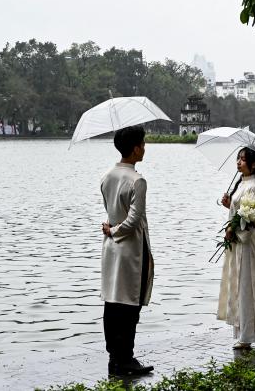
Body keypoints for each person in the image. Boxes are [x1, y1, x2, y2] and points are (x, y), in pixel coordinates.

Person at [100, 125, 154, 376]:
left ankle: (115, 357)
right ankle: (126, 359)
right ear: (134, 149)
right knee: (131, 302)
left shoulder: (108, 176)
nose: (144, 148)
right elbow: (132, 221)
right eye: (142, 144)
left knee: (112, 302)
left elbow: (112, 213)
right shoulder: (137, 180)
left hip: (111, 250)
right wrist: (114, 231)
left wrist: (111, 230)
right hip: (131, 248)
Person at [217, 147, 255, 350]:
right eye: (237, 158)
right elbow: (241, 211)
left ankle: (247, 335)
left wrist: (232, 228)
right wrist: (229, 205)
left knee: (247, 285)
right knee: (239, 284)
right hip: (239, 242)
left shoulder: (254, 186)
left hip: (247, 244)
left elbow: (249, 219)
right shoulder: (243, 184)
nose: (238, 162)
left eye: (243, 159)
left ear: (254, 164)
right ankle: (243, 333)